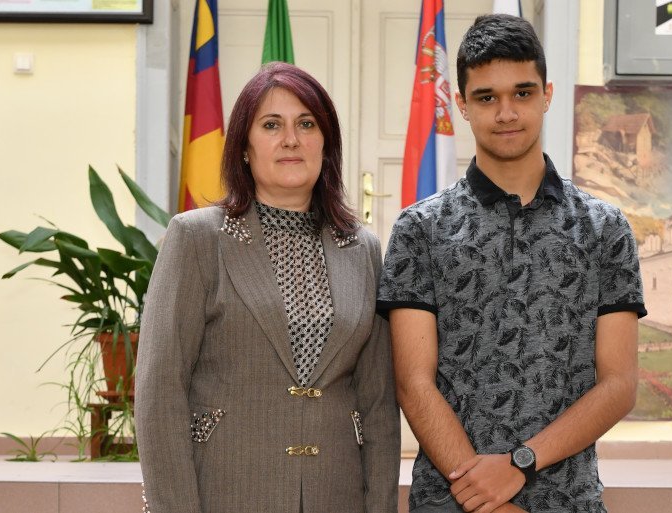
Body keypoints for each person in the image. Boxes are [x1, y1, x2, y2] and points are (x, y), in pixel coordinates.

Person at [378, 14, 646, 513]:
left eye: (522, 93)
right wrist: (484, 497)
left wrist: (520, 463)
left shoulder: (604, 228)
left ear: (547, 95)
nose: (506, 112)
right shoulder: (420, 229)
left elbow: (619, 385)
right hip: (451, 500)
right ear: (461, 105)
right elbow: (414, 383)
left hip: (568, 500)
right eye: (486, 98)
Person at [136, 62, 400, 513]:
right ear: (244, 146)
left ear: (326, 144)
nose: (291, 139)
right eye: (272, 125)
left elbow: (377, 402)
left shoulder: (363, 249)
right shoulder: (197, 238)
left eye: (307, 124)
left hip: (336, 494)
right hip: (226, 490)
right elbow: (160, 390)